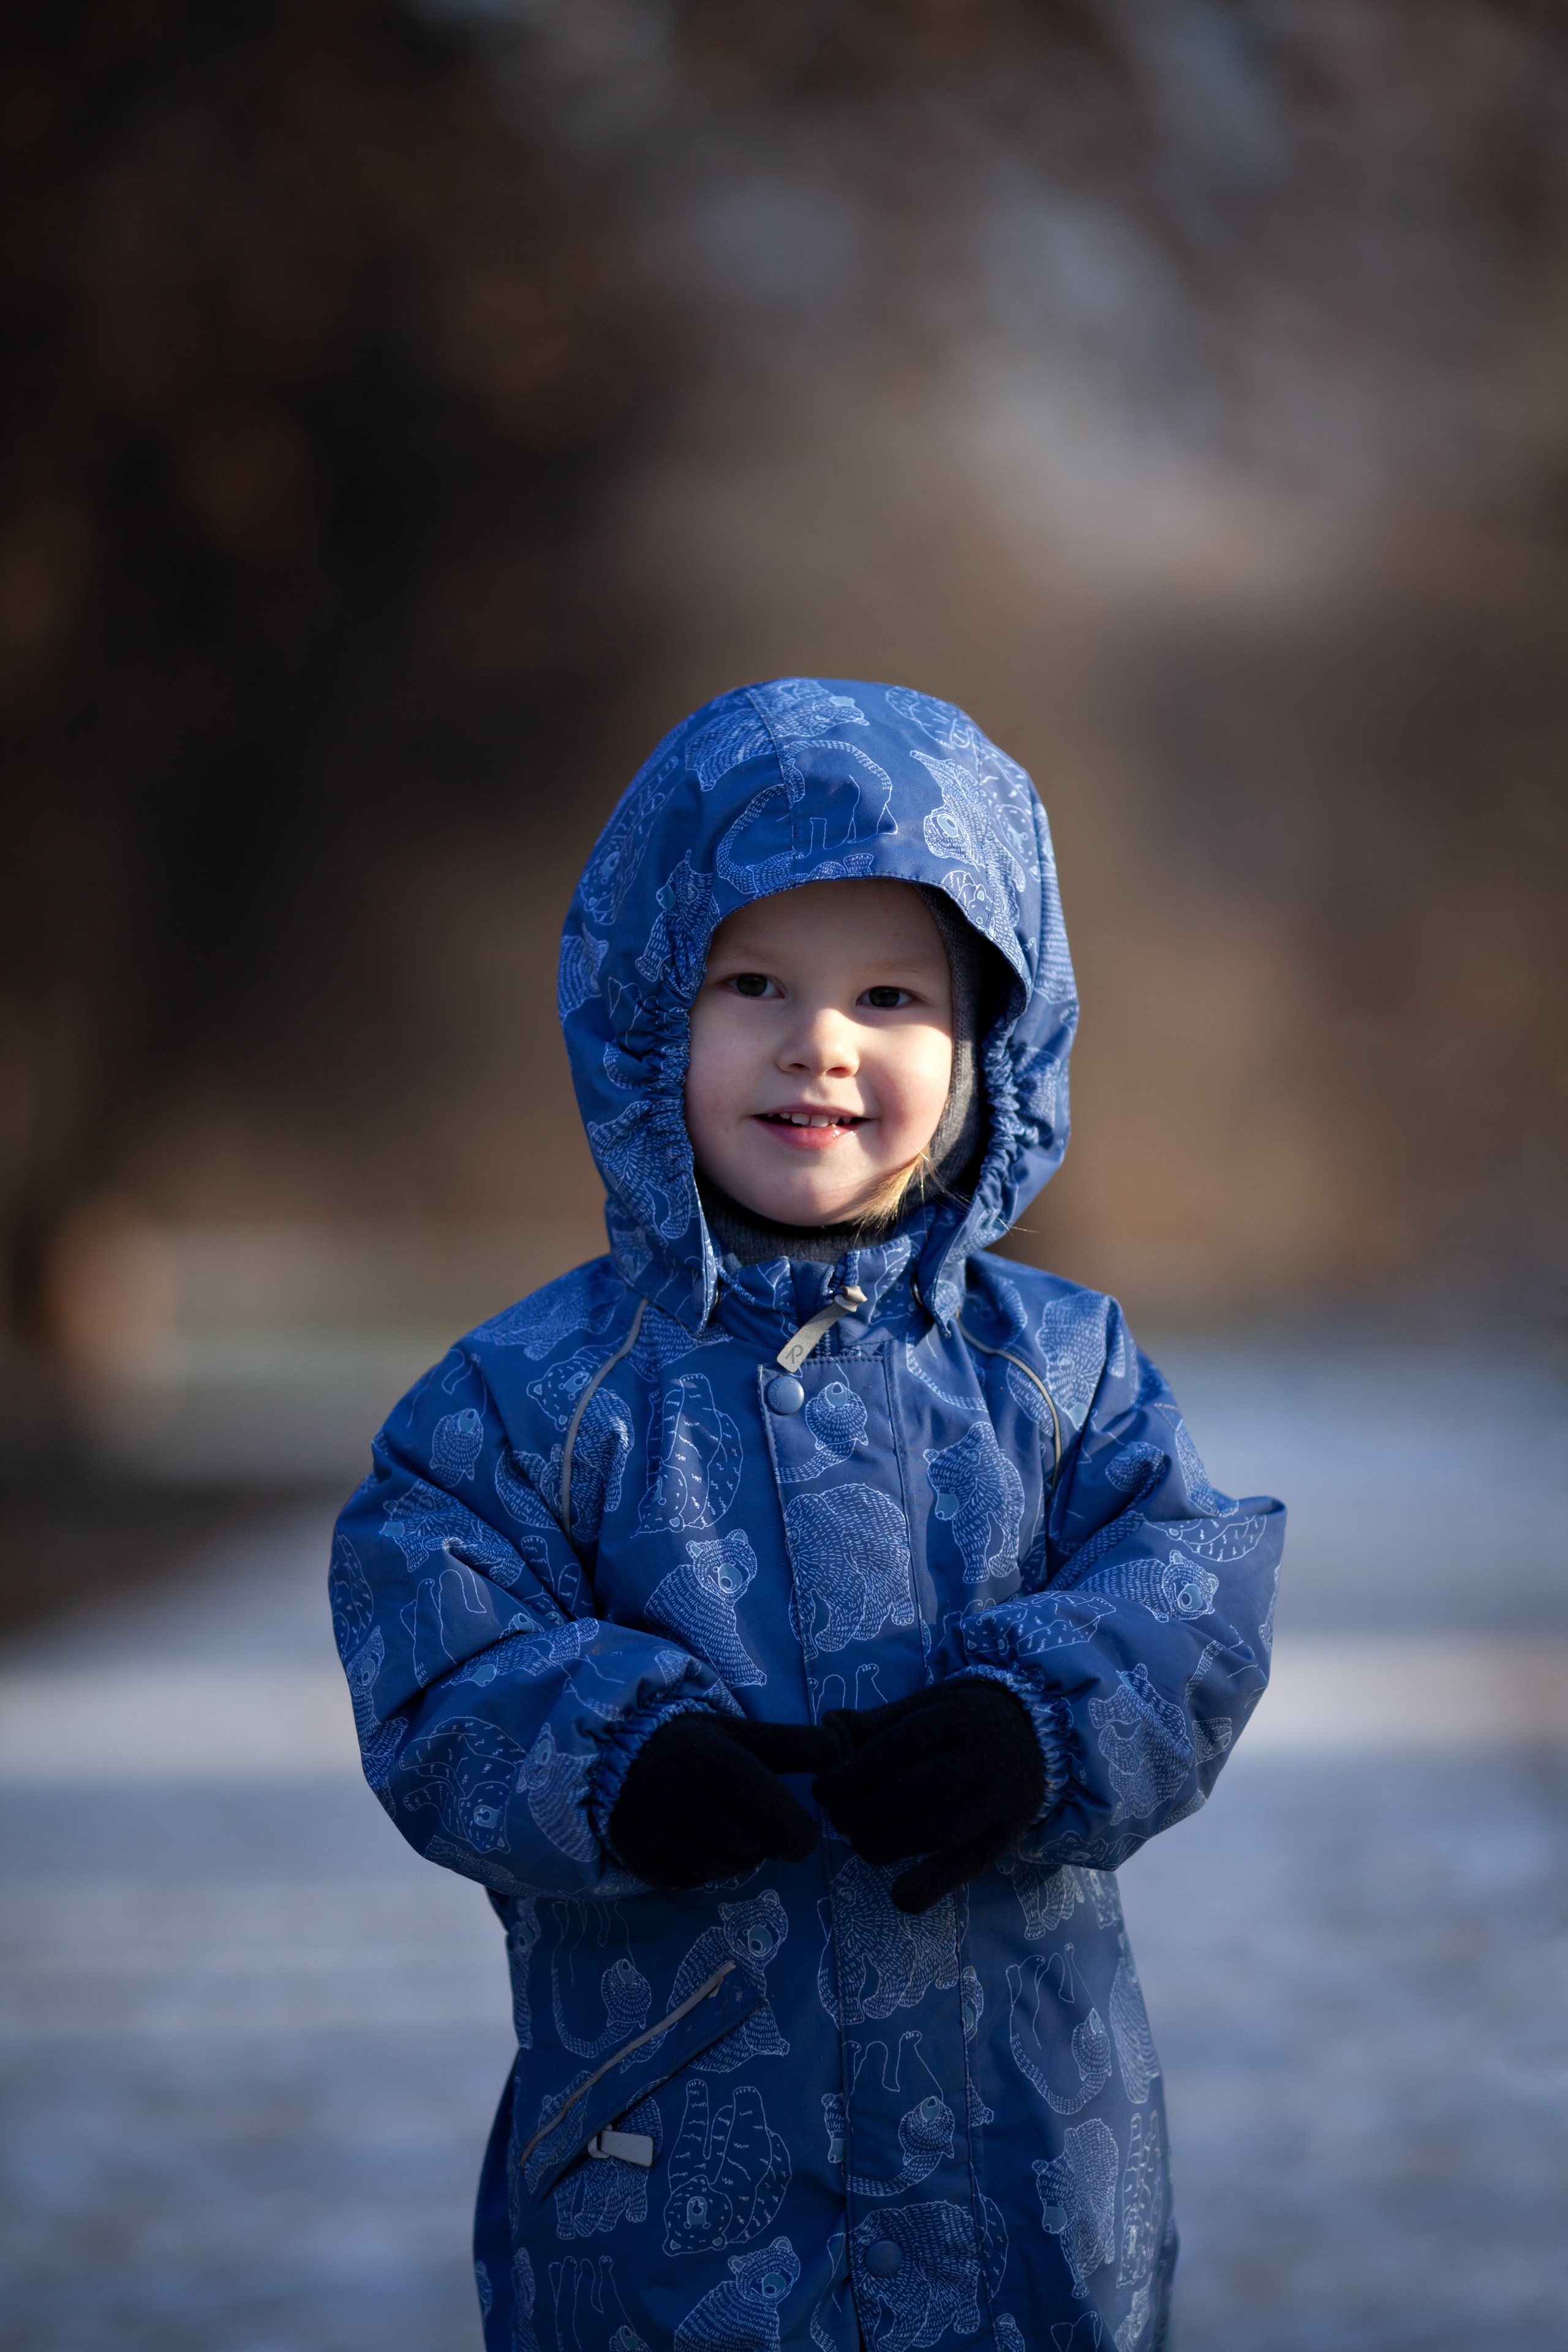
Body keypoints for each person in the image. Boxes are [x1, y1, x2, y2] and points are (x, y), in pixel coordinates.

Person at [329, 677, 1284, 2352]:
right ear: (646, 1014)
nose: (819, 1042)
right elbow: (436, 1653)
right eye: (753, 982)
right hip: (667, 2196)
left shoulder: (1063, 1375)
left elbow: (1189, 1598)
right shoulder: (532, 1402)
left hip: (1018, 2176)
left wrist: (1042, 1720)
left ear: (989, 1039)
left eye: (892, 995)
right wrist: (608, 1755)